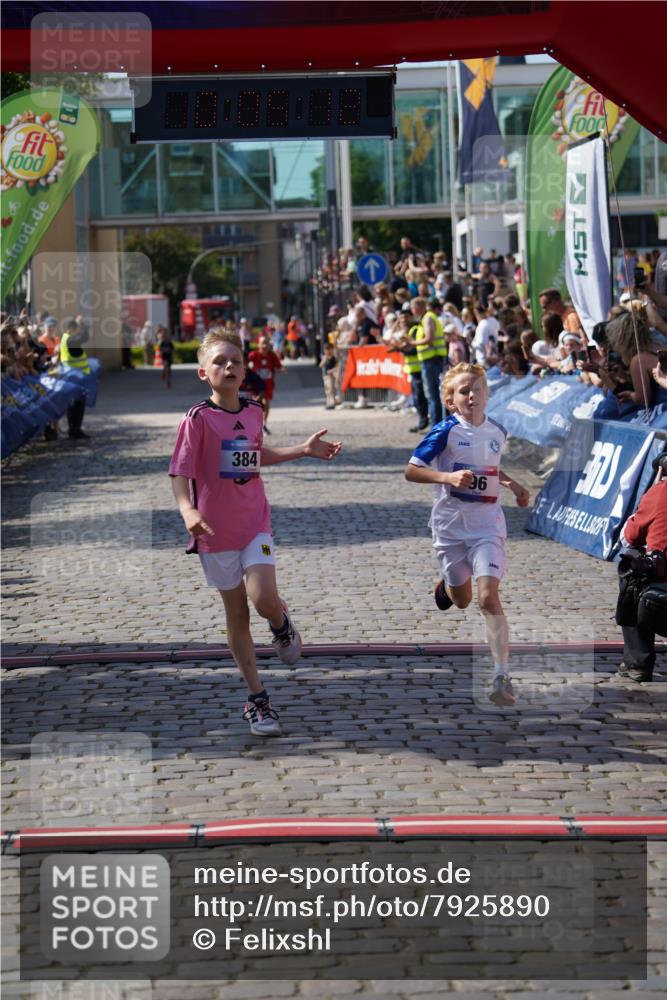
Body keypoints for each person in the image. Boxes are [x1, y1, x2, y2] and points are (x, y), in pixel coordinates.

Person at [168, 329, 342, 737]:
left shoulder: (253, 410)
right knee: (238, 616)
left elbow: (255, 456)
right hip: (213, 532)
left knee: (263, 598)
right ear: (203, 373)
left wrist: (302, 449)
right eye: (220, 362)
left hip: (253, 523)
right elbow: (180, 471)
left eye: (236, 361)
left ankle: (281, 624)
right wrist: (187, 509)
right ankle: (258, 699)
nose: (230, 367)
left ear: (245, 369)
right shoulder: (197, 419)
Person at [405, 363, 530, 706]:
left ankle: (501, 675)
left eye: (478, 389)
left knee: (488, 597)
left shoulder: (497, 432)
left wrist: (512, 484)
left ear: (488, 394)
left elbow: (490, 468)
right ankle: (447, 584)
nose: (472, 396)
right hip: (450, 528)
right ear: (450, 400)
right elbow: (411, 471)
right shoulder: (444, 431)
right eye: (464, 391)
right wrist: (446, 478)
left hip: (488, 526)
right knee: (460, 600)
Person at [615, 451, 667, 682]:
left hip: (660, 601)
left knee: (632, 569)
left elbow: (632, 535)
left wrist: (652, 493)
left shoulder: (660, 493)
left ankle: (638, 662)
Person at [411, 296, 447, 427]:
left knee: (432, 394)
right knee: (433, 394)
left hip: (432, 360)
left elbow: (429, 338)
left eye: (413, 308)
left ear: (418, 307)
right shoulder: (426, 318)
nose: (412, 311)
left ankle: (435, 424)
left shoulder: (427, 318)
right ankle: (436, 423)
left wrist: (412, 342)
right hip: (431, 359)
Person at [59, 317, 91, 439]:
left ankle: (74, 429)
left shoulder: (66, 339)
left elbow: (82, 338)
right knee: (76, 405)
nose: (78, 331)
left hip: (73, 376)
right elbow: (83, 337)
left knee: (75, 405)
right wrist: (83, 324)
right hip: (74, 377)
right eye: (76, 329)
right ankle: (74, 429)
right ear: (71, 329)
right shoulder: (70, 340)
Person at [247, 333, 284, 431]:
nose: (264, 345)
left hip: (268, 385)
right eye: (262, 343)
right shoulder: (254, 354)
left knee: (266, 404)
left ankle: (264, 423)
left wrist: (281, 369)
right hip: (256, 385)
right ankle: (254, 423)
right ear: (258, 344)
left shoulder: (272, 356)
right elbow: (244, 361)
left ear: (269, 345)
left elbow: (278, 365)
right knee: (256, 404)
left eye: (266, 343)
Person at [319, 342, 338, 409]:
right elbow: (321, 365)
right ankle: (328, 401)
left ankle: (332, 402)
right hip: (325, 376)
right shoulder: (325, 357)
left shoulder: (334, 358)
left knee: (331, 389)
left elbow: (336, 366)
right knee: (327, 390)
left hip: (332, 375)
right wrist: (324, 359)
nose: (328, 351)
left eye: (329, 349)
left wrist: (332, 370)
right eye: (326, 349)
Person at [157, 324, 174, 388]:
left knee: (168, 369)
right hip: (164, 356)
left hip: (169, 356)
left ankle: (165, 375)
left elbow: (173, 349)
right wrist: (164, 350)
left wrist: (169, 350)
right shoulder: (163, 343)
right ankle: (167, 381)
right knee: (166, 366)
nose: (167, 336)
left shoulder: (170, 343)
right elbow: (160, 349)